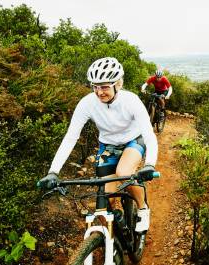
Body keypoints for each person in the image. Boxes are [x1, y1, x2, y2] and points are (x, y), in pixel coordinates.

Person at [38, 57, 158, 232]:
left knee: (124, 173)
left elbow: (148, 134)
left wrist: (150, 164)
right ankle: (115, 235)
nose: (99, 92)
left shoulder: (131, 101)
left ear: (119, 84)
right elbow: (70, 138)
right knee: (104, 201)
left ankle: (142, 208)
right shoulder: (87, 103)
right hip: (108, 146)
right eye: (95, 86)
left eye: (104, 86)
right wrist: (53, 172)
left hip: (133, 141)